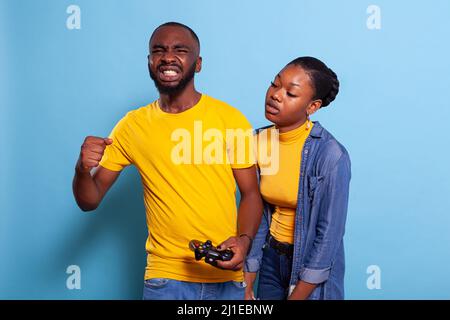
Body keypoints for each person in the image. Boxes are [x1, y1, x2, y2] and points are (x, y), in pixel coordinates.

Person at [72, 22, 263, 300]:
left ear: (197, 64)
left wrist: (244, 243)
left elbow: (250, 193)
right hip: (165, 278)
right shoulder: (132, 126)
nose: (168, 57)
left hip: (225, 275)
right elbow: (89, 200)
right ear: (150, 62)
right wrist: (81, 169)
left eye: (180, 50)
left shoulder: (230, 119)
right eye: (158, 50)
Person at [243, 57, 351, 300]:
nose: (276, 95)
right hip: (270, 258)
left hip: (309, 267)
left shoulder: (331, 155)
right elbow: (257, 214)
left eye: (290, 93)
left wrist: (298, 294)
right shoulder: (257, 141)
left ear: (312, 107)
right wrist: (247, 284)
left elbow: (329, 235)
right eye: (274, 84)